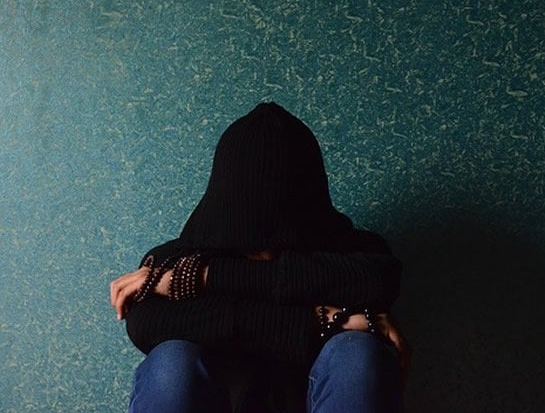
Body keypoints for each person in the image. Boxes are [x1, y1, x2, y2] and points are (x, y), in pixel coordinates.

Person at [109, 102, 410, 412]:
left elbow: (380, 280)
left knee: (357, 355)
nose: (265, 253)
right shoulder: (173, 260)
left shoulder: (356, 256)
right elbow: (145, 324)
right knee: (172, 363)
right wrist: (322, 320)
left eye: (282, 242)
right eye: (249, 240)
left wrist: (203, 277)